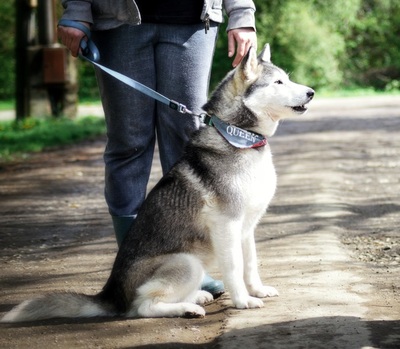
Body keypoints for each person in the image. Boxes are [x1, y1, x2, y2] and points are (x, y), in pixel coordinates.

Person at [58, 0, 257, 297]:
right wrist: (76, 11)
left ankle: (188, 265)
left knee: (187, 141)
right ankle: (136, 270)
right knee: (128, 141)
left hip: (193, 22)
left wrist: (242, 13)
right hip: (117, 20)